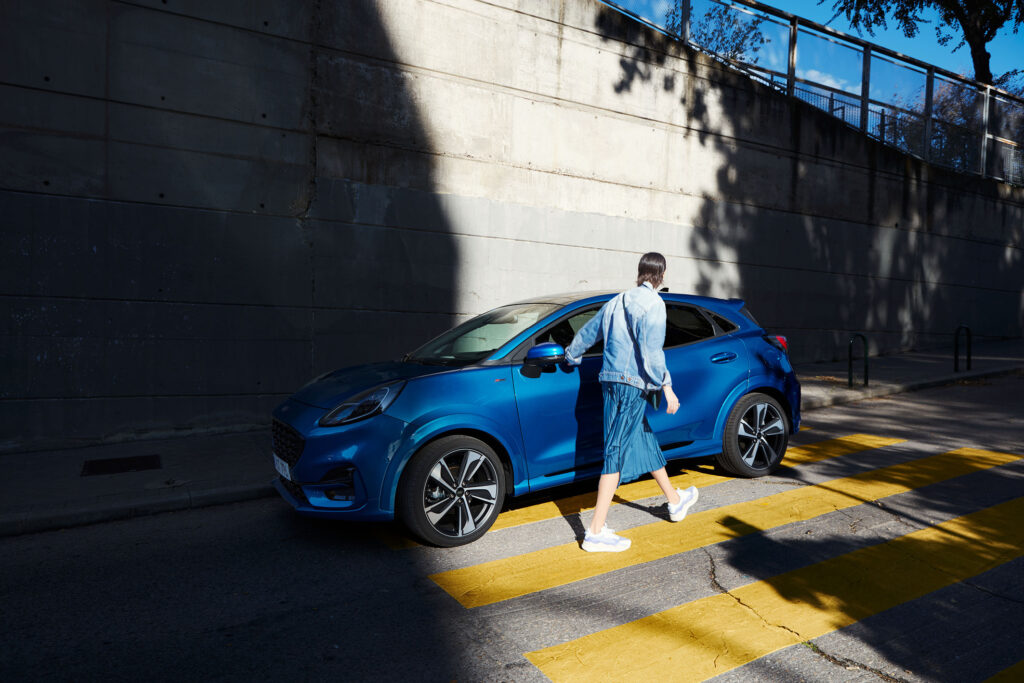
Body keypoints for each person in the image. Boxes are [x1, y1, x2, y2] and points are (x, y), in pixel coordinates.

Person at [564, 252, 699, 552]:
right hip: (631, 386)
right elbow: (652, 354)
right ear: (661, 276)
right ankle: (595, 532)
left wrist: (571, 355)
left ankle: (675, 502)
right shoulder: (654, 305)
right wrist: (667, 387)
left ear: (639, 273)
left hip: (609, 382)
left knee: (643, 439)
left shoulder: (616, 301)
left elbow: (588, 332)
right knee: (614, 452)